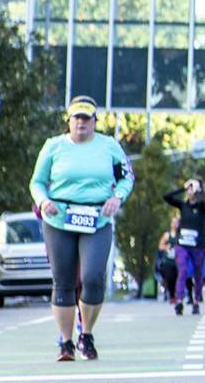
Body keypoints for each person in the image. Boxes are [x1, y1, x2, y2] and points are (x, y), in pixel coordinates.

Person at [28, 96, 134, 361]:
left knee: (93, 277)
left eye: (87, 118)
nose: (81, 123)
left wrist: (117, 198)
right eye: (77, 118)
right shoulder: (53, 146)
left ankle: (86, 334)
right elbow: (37, 182)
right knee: (63, 281)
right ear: (69, 121)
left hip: (97, 219)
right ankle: (66, 342)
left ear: (95, 121)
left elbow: (127, 177)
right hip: (59, 219)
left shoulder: (109, 146)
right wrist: (43, 202)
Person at [163, 177, 205, 316]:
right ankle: (179, 301)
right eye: (189, 188)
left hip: (198, 246)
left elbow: (204, 205)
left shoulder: (203, 208)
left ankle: (196, 301)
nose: (190, 191)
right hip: (183, 245)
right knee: (182, 271)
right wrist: (183, 188)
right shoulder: (183, 206)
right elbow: (166, 197)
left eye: (193, 188)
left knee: (198, 274)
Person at [155, 221, 179, 305]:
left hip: (178, 261)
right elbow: (160, 246)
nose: (175, 224)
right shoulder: (167, 235)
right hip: (168, 261)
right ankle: (171, 295)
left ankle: (177, 295)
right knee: (169, 278)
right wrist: (166, 247)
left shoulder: (180, 235)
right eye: (173, 222)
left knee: (178, 278)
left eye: (176, 222)